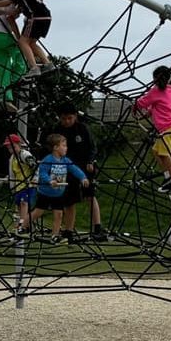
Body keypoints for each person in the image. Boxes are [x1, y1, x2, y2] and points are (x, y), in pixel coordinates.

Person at [53, 103, 108, 240]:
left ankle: (97, 228)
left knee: (90, 196)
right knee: (69, 200)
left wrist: (90, 161)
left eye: (69, 118)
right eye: (64, 118)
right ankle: (68, 231)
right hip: (67, 168)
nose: (67, 121)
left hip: (85, 167)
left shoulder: (82, 128)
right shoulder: (57, 129)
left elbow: (92, 147)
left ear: (75, 117)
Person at [30, 134, 89, 242]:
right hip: (45, 193)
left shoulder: (65, 160)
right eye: (64, 145)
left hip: (58, 194)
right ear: (56, 147)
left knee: (59, 215)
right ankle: (23, 226)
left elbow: (74, 169)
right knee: (38, 212)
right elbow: (42, 173)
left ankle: (55, 235)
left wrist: (83, 178)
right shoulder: (48, 159)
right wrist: (49, 181)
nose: (66, 148)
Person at [133, 65, 171, 193]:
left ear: (156, 79)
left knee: (164, 154)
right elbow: (160, 104)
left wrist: (134, 106)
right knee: (156, 151)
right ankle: (167, 177)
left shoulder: (155, 91)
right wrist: (149, 113)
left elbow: (142, 102)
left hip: (168, 128)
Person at [4, 134, 37, 236]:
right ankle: (28, 225)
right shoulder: (12, 158)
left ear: (19, 145)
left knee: (24, 203)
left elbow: (32, 162)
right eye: (9, 148)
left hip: (28, 185)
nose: (11, 150)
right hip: (18, 186)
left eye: (13, 147)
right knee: (19, 204)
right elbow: (13, 173)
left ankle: (22, 224)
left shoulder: (24, 154)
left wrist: (34, 177)